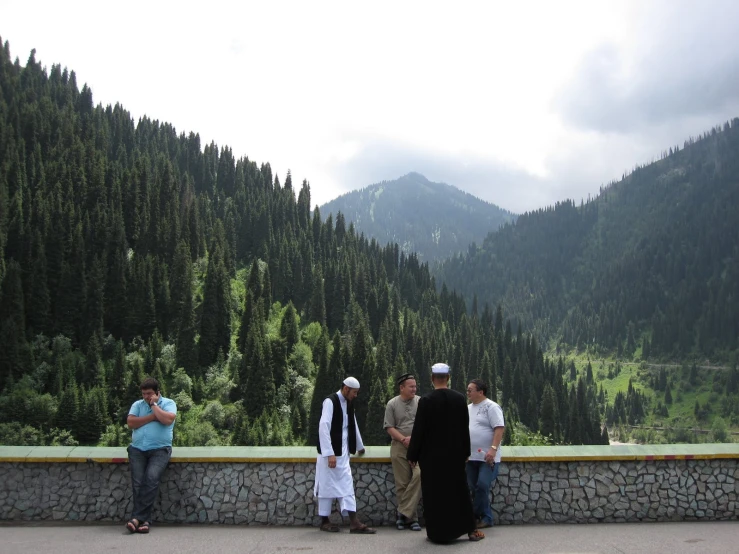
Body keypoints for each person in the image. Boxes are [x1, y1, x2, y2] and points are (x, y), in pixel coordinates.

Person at [407, 363, 485, 543]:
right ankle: (471, 530)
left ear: (432, 379)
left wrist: (413, 455)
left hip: (432, 457)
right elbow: (464, 429)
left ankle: (437, 534)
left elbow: (419, 430)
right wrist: (466, 452)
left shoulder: (425, 400)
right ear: (448, 378)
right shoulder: (459, 399)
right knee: (459, 491)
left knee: (435, 494)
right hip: (454, 456)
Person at [314, 376, 376, 534]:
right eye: (354, 392)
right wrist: (330, 454)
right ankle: (325, 521)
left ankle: (354, 523)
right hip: (330, 455)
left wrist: (359, 446)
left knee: (347, 486)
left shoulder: (348, 403)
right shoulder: (330, 401)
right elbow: (323, 426)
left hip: (343, 454)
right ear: (346, 389)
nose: (356, 395)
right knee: (326, 487)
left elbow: (352, 424)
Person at [125, 377, 177, 534]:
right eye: (144, 394)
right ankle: (143, 521)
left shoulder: (168, 403)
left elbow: (167, 420)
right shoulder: (137, 405)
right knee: (138, 482)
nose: (146, 397)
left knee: (151, 478)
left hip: (160, 449)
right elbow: (131, 423)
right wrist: (152, 417)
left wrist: (154, 406)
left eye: (149, 394)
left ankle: (137, 518)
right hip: (137, 449)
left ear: (157, 393)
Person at [383, 373, 422, 531]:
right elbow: (389, 427)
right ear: (402, 387)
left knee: (419, 474)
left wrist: (414, 438)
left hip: (419, 446)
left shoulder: (421, 402)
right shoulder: (392, 404)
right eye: (411, 386)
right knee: (402, 483)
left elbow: (426, 424)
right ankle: (412, 519)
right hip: (399, 446)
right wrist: (404, 439)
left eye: (415, 386)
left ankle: (402, 513)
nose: (414, 389)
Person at [466, 378, 505, 529]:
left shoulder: (492, 407)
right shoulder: (468, 408)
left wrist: (493, 449)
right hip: (471, 456)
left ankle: (473, 517)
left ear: (480, 392)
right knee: (473, 487)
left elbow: (499, 428)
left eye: (471, 390)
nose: (468, 392)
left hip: (487, 457)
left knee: (482, 485)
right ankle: (487, 518)